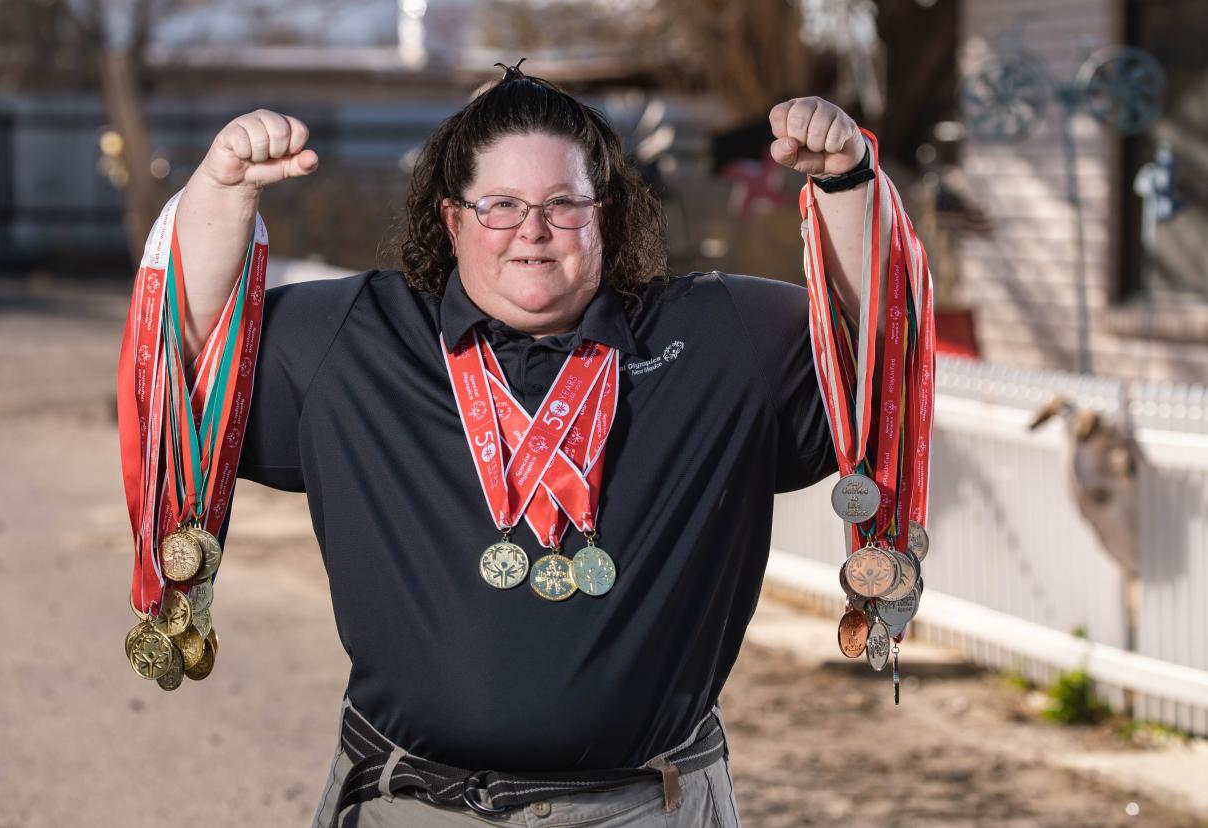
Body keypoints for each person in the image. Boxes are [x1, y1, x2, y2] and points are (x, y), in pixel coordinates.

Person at [170, 62, 897, 827]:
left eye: (563, 204)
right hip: (408, 805)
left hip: (646, 807)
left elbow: (878, 357)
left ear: (606, 216)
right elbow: (184, 365)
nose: (533, 231)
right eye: (501, 206)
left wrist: (847, 186)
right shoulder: (352, 340)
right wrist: (221, 193)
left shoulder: (720, 337)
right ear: (452, 221)